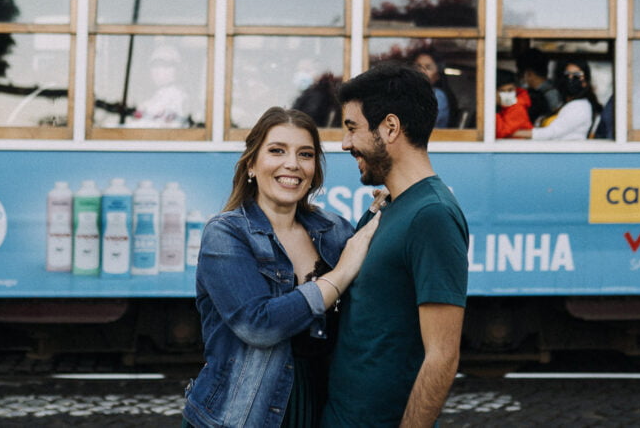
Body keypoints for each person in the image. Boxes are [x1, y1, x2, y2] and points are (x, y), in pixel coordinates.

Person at [182, 107, 380, 428]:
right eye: (277, 151)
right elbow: (259, 325)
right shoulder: (226, 233)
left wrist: (384, 210)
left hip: (321, 407)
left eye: (306, 154)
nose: (292, 164)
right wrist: (340, 274)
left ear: (314, 170)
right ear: (251, 164)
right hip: (242, 416)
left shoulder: (334, 229)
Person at [321, 63, 469, 427]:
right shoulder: (387, 206)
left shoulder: (432, 215)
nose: (344, 143)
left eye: (352, 127)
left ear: (389, 127)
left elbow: (442, 356)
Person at [512, 59, 601, 140]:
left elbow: (551, 132)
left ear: (585, 82)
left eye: (577, 75)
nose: (571, 78)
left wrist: (514, 133)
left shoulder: (580, 106)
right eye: (567, 75)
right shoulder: (564, 104)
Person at [516, 47, 563, 125]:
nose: (521, 80)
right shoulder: (553, 89)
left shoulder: (550, 94)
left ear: (529, 73)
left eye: (520, 75)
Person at [411, 49, 457, 128]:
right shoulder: (411, 94)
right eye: (417, 67)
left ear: (437, 75)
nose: (422, 71)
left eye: (428, 68)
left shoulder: (438, 96)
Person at [495, 68, 532, 138]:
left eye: (510, 90)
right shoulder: (503, 107)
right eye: (502, 91)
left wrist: (494, 108)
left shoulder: (518, 107)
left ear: (515, 89)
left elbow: (500, 133)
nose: (506, 94)